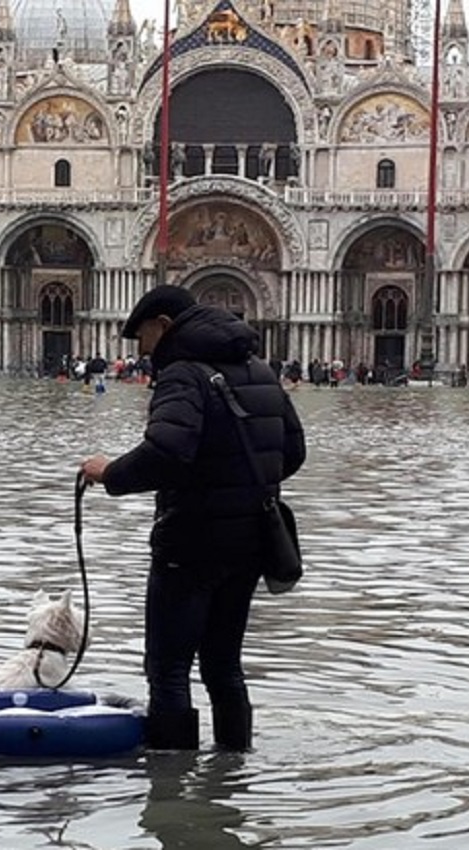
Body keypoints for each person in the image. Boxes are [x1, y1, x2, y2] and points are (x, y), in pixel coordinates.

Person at [79, 285, 306, 751]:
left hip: (191, 543)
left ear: (163, 326)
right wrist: (237, 484)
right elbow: (293, 452)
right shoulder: (260, 370)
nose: (141, 351)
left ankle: (170, 785)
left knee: (168, 669)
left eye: (142, 336)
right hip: (249, 545)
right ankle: (233, 769)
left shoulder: (182, 374)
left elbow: (166, 453)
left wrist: (109, 473)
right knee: (224, 666)